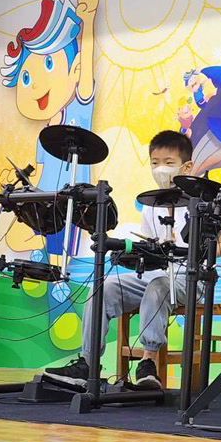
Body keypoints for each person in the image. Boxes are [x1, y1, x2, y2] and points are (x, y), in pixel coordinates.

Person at [44, 130, 198, 390]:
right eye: (155, 163)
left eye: (169, 163)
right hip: (157, 274)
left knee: (158, 286)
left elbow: (218, 246)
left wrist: (190, 249)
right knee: (103, 288)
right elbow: (151, 246)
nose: (160, 169)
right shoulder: (151, 203)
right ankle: (88, 364)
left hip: (190, 277)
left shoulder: (200, 200)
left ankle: (148, 363)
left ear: (187, 167)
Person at [1, 0, 99, 349]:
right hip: (45, 198)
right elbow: (41, 168)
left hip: (72, 199)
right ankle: (42, 260)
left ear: (73, 68)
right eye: (27, 77)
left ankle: (60, 283)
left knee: (63, 244)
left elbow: (86, 72)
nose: (37, 84)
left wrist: (88, 23)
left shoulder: (79, 111)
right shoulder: (45, 131)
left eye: (48, 64)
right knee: (29, 230)